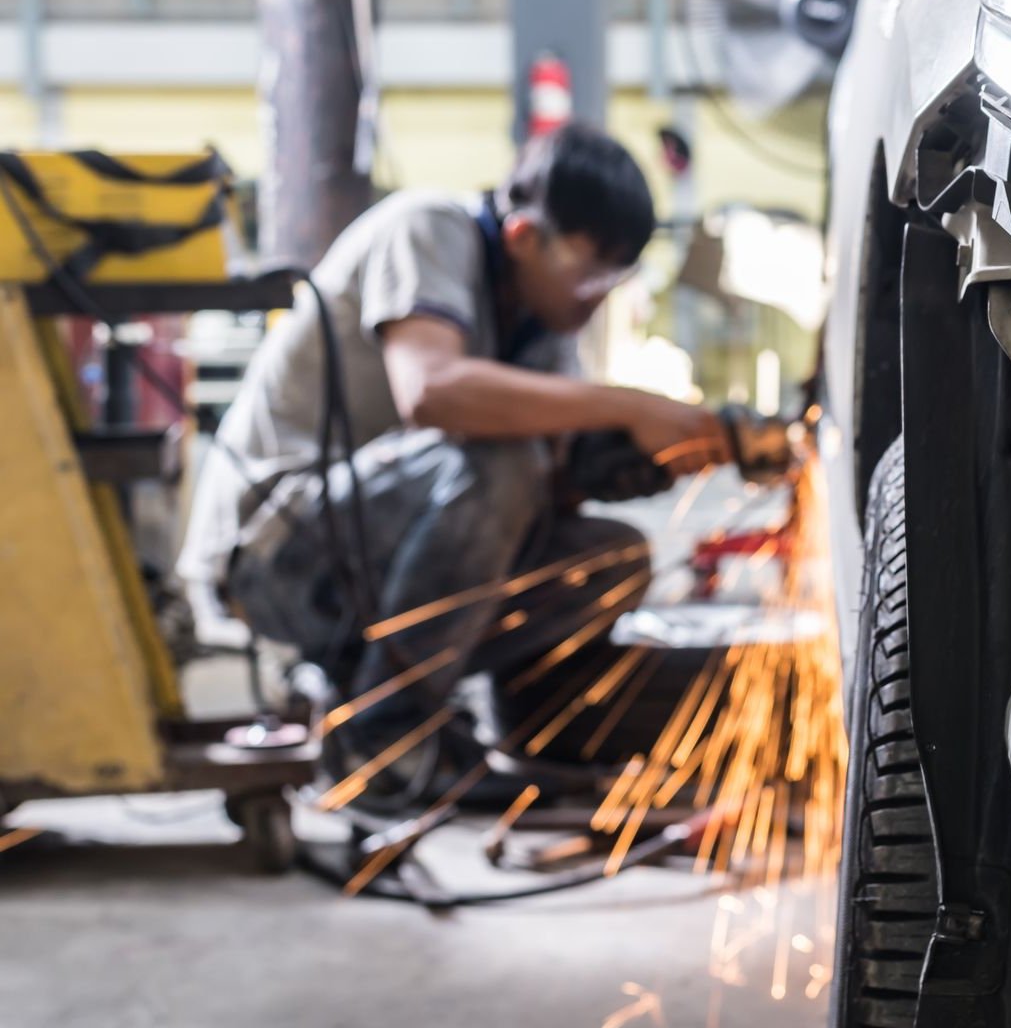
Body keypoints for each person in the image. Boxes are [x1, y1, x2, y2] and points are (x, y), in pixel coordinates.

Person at [180, 123, 726, 798]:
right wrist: (629, 407)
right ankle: (387, 744)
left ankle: (461, 722)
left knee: (608, 561)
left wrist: (618, 461)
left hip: (373, 555)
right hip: (274, 551)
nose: (598, 298)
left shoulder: (540, 323)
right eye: (589, 275)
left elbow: (537, 491)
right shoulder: (428, 229)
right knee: (504, 464)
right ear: (525, 236)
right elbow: (432, 393)